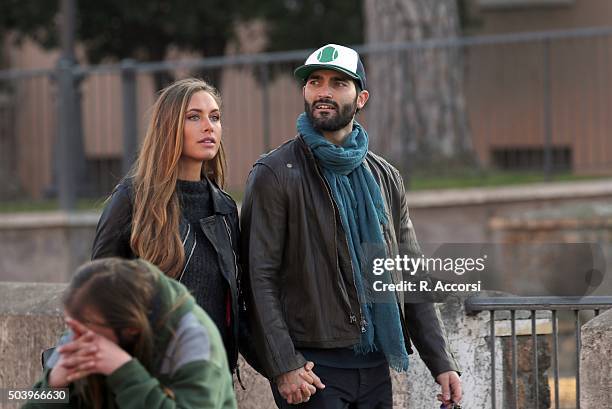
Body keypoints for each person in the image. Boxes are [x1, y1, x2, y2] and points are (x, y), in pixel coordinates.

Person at [240, 44, 462, 408]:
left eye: (338, 83)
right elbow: (257, 279)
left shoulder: (385, 176)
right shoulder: (275, 173)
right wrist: (284, 366)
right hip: (313, 369)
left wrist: (442, 362)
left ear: (361, 98)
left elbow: (409, 271)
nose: (323, 91)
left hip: (375, 365)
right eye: (315, 81)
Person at [90, 78, 246, 374]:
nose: (208, 126)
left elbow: (235, 305)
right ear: (168, 127)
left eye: (214, 117)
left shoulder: (225, 208)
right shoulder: (133, 198)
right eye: (193, 117)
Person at [23, 258, 237, 409]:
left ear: (131, 328)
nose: (77, 338)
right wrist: (53, 386)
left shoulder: (192, 338)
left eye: (87, 328)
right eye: (73, 327)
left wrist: (124, 371)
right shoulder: (82, 333)